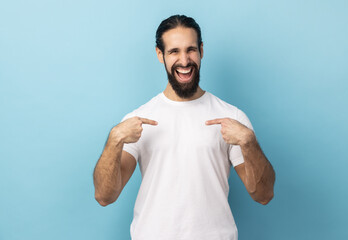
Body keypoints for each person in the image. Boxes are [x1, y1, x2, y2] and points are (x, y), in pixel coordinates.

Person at [93, 14, 275, 240]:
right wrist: (114, 140)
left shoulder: (232, 116)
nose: (184, 60)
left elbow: (264, 195)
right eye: (174, 51)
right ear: (160, 55)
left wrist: (249, 143)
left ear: (201, 51)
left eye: (190, 50)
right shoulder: (139, 119)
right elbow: (105, 196)